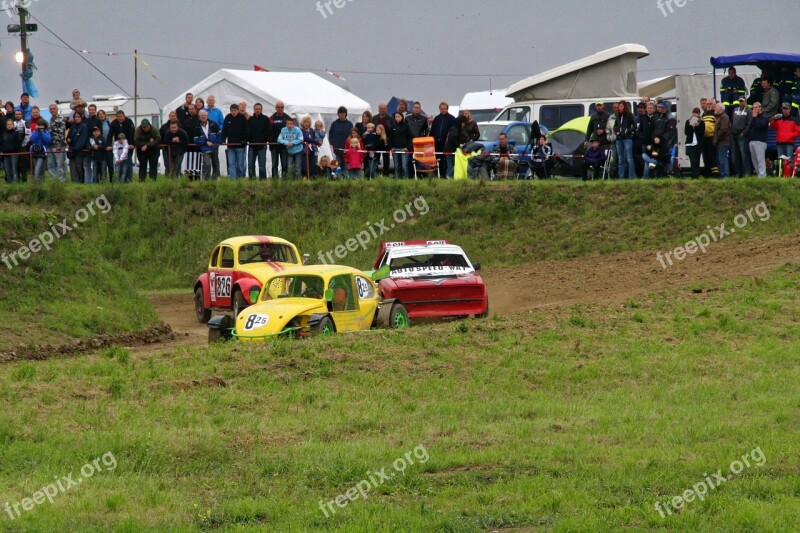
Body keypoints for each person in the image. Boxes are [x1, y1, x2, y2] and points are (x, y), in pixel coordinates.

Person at [770, 102, 800, 172]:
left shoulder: (794, 119)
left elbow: (798, 131)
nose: (784, 110)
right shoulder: (778, 119)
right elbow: (772, 126)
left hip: (789, 143)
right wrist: (773, 119)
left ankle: (790, 175)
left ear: (790, 109)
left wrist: (790, 136)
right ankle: (781, 175)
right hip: (780, 143)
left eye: (786, 108)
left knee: (789, 162)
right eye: (783, 108)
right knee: (781, 162)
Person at [222, 103, 248, 179]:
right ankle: (233, 181)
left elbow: (246, 130)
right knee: (231, 164)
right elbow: (224, 130)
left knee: (240, 164)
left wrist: (244, 140)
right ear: (230, 111)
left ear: (238, 111)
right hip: (230, 146)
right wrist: (223, 139)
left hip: (240, 146)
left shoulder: (242, 118)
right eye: (232, 110)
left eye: (235, 110)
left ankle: (241, 179)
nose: (233, 112)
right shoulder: (227, 117)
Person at [107, 111, 135, 182]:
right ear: (116, 117)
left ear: (124, 116)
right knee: (119, 162)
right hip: (118, 145)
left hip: (128, 144)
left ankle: (128, 179)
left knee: (128, 162)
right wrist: (109, 145)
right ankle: (118, 180)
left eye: (121, 116)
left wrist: (132, 144)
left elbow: (132, 133)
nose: (120, 118)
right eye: (118, 116)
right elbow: (110, 134)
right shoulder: (114, 123)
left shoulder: (129, 122)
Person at [194, 109, 221, 180]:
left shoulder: (214, 124)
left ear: (207, 116)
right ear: (199, 117)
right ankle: (206, 180)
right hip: (205, 149)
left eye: (205, 115)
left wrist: (217, 143)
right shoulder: (196, 126)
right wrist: (205, 142)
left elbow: (219, 134)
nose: (203, 117)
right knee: (207, 164)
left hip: (214, 147)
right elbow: (196, 140)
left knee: (216, 164)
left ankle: (216, 179)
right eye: (202, 115)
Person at [430, 102, 455, 177]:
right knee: (438, 160)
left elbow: (453, 131)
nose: (443, 110)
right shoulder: (436, 119)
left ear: (447, 109)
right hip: (437, 143)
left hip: (447, 144)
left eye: (444, 109)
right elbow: (432, 131)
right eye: (441, 109)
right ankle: (440, 175)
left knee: (447, 161)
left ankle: (448, 175)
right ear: (439, 109)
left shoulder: (452, 119)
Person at [247, 103, 271, 179]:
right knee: (250, 164)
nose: (257, 110)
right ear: (254, 109)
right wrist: (249, 140)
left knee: (262, 165)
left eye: (259, 109)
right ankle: (252, 180)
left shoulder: (265, 119)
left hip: (262, 146)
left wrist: (263, 139)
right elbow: (247, 131)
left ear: (261, 109)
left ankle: (263, 181)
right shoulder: (250, 119)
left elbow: (268, 131)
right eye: (256, 109)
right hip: (252, 146)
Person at [745, 102, 769, 177]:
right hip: (752, 141)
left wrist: (755, 118)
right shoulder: (753, 118)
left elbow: (760, 125)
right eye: (753, 108)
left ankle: (762, 175)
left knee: (760, 160)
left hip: (760, 141)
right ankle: (758, 175)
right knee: (754, 160)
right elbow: (750, 127)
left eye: (756, 107)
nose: (754, 109)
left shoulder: (764, 117)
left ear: (760, 108)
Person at [730, 96, 752, 177]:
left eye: (742, 101)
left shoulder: (749, 111)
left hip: (742, 135)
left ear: (745, 101)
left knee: (744, 155)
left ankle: (747, 173)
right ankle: (737, 173)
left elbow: (749, 123)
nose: (741, 102)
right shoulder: (735, 110)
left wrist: (744, 133)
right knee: (735, 155)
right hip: (734, 134)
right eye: (740, 101)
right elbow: (732, 121)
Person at [614, 100, 636, 179]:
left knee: (629, 158)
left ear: (625, 107)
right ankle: (621, 176)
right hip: (619, 139)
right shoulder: (618, 116)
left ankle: (631, 176)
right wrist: (617, 132)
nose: (620, 108)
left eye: (621, 106)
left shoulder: (629, 115)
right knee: (620, 159)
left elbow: (634, 126)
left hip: (627, 139)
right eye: (619, 106)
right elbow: (615, 126)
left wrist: (627, 131)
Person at [269, 101, 291, 177]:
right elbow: (269, 131)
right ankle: (274, 181)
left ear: (283, 108)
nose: (280, 109)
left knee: (284, 165)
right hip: (274, 145)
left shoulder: (287, 118)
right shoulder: (271, 118)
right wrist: (271, 143)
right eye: (278, 107)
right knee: (274, 165)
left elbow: (292, 131)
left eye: (281, 107)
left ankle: (284, 181)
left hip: (284, 146)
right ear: (275, 108)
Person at [205, 95, 224, 178]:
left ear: (214, 101)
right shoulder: (203, 111)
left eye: (212, 100)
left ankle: (216, 175)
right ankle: (206, 176)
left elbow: (222, 123)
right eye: (209, 100)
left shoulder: (218, 111)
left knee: (215, 157)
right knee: (206, 158)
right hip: (205, 138)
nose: (210, 101)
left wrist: (218, 131)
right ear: (207, 101)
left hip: (215, 138)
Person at [328, 106, 353, 170]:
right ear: (338, 114)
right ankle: (338, 177)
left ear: (346, 114)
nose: (342, 114)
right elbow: (330, 134)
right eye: (340, 113)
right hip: (337, 148)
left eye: (343, 113)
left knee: (346, 164)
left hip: (346, 148)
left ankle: (345, 178)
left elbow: (352, 134)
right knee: (338, 164)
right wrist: (332, 142)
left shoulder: (349, 124)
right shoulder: (334, 124)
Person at [47, 103, 68, 183]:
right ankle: (54, 182)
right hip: (50, 145)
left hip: (58, 145)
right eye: (51, 109)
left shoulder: (61, 118)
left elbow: (62, 132)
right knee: (51, 164)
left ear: (57, 109)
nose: (52, 110)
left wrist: (59, 144)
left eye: (54, 108)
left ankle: (62, 181)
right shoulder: (51, 119)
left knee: (60, 164)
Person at [67, 112, 89, 183]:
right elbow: (68, 137)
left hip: (79, 151)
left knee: (79, 168)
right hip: (72, 151)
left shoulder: (84, 127)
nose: (77, 118)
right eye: (75, 117)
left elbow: (83, 140)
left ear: (81, 118)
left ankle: (81, 182)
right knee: (72, 168)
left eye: (78, 117)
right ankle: (74, 182)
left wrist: (75, 148)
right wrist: (68, 140)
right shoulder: (72, 127)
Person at [388, 111, 411, 178]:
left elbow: (409, 137)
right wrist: (391, 147)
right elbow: (390, 138)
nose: (397, 118)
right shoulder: (392, 126)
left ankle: (405, 179)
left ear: (402, 117)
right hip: (395, 149)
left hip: (404, 149)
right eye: (396, 117)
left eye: (398, 116)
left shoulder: (406, 126)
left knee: (404, 166)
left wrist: (407, 147)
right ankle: (397, 179)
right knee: (396, 166)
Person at [182, 104, 202, 180]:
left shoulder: (199, 119)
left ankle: (197, 179)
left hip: (198, 146)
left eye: (192, 109)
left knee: (198, 163)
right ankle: (189, 179)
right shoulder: (186, 120)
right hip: (189, 145)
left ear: (196, 109)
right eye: (189, 109)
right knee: (189, 163)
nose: (191, 110)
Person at [712, 103, 732, 178]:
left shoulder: (724, 117)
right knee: (719, 160)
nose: (715, 108)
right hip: (720, 142)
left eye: (716, 107)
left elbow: (723, 130)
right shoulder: (719, 117)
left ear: (721, 108)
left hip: (723, 142)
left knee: (723, 159)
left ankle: (725, 175)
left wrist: (716, 138)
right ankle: (722, 174)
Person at [371, 103, 393, 174]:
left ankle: (386, 176)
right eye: (381, 108)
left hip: (386, 142)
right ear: (378, 109)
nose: (382, 110)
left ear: (386, 109)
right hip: (377, 141)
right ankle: (375, 175)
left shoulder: (390, 118)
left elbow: (392, 130)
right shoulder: (374, 118)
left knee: (386, 161)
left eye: (384, 108)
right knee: (376, 160)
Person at [684, 108, 705, 179]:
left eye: (697, 113)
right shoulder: (688, 121)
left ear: (699, 114)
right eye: (694, 113)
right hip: (690, 144)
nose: (695, 114)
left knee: (697, 160)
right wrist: (691, 125)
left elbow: (702, 133)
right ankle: (694, 175)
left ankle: (696, 175)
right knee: (692, 160)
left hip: (697, 144)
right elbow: (686, 132)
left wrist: (697, 126)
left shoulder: (701, 122)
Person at [1, 118, 23, 183]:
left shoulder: (16, 133)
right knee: (7, 170)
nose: (9, 125)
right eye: (8, 124)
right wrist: (2, 151)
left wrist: (14, 150)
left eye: (10, 124)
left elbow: (19, 144)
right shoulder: (3, 134)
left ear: (13, 125)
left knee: (14, 169)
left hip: (14, 154)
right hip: (5, 154)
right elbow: (1, 143)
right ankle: (9, 184)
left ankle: (16, 183)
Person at [160, 111, 180, 177]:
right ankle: (168, 180)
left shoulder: (180, 125)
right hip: (167, 149)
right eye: (171, 116)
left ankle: (176, 180)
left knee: (177, 166)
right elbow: (160, 137)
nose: (173, 117)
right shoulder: (164, 127)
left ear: (176, 117)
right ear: (169, 117)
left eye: (174, 116)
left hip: (177, 149)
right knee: (168, 166)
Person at [701, 98, 718, 177]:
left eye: (710, 104)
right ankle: (707, 173)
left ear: (714, 104)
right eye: (707, 104)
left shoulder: (715, 114)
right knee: (706, 156)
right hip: (704, 138)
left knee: (713, 156)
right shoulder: (704, 114)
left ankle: (715, 174)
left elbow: (718, 126)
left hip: (712, 137)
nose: (708, 105)